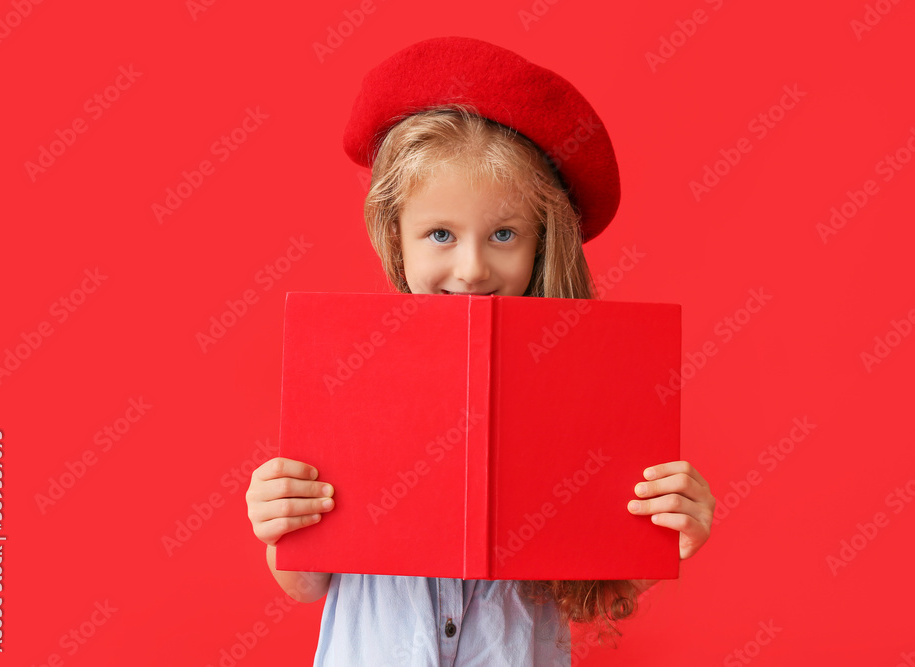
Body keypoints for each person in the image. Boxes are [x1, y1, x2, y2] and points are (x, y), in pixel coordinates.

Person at [246, 37, 716, 665]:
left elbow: (601, 581)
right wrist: (282, 523)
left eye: (503, 234)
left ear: (541, 241)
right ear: (396, 234)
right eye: (440, 234)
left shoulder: (579, 384)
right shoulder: (349, 373)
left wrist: (668, 529)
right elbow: (308, 586)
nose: (470, 268)